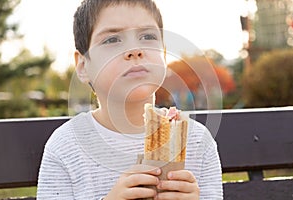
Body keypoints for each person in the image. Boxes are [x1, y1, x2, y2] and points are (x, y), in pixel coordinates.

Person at [37, 0, 223, 199]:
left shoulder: (197, 141)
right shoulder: (65, 147)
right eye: (112, 40)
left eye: (147, 36)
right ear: (83, 66)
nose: (135, 50)